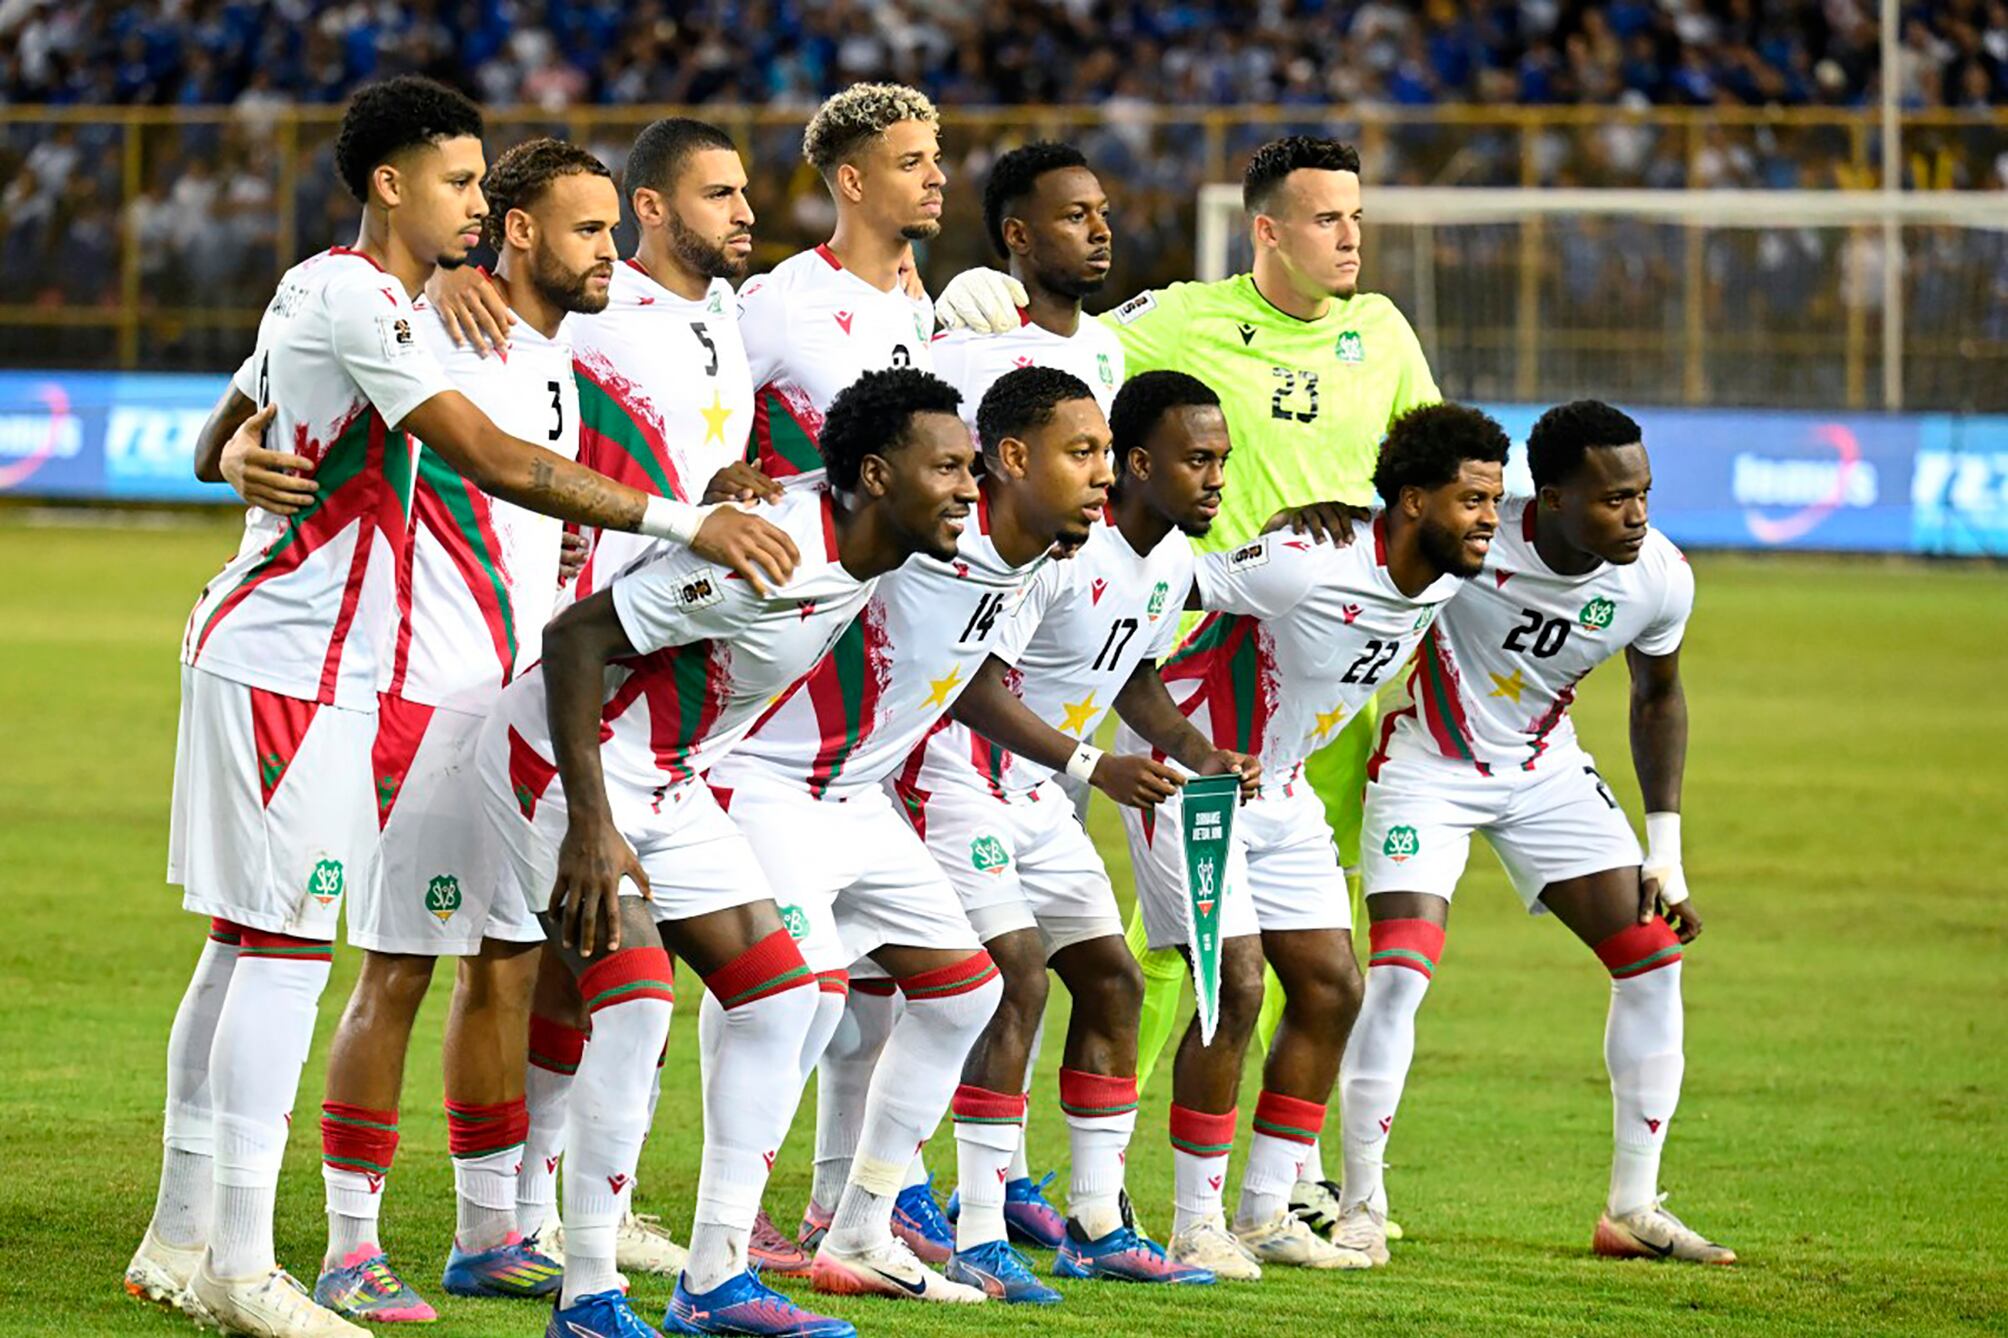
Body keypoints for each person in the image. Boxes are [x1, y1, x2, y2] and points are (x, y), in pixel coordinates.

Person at [126, 75, 795, 1338]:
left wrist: (223, 454)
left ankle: (187, 1234)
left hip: (403, 681)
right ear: (390, 185)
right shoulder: (362, 295)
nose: (478, 208)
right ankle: (250, 1262)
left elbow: (232, 419)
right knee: (289, 951)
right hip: (306, 666)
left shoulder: (424, 310)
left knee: (253, 946)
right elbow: (487, 460)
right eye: (459, 182)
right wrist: (680, 518)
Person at [939, 133, 1443, 1232]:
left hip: (1328, 686)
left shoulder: (1386, 332)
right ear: (1267, 229)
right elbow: (1058, 368)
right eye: (1325, 218)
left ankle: (1273, 1180)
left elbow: (1422, 478)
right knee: (1183, 947)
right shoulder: (1177, 323)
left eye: (1357, 216)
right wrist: (981, 297)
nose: (1349, 236)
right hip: (1199, 660)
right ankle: (1094, 1183)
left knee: (1308, 947)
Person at [478, 369, 985, 1338]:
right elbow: (576, 639)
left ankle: (713, 1279)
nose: (968, 488)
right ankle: (586, 1296)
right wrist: (592, 825)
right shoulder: (775, 555)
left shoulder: (853, 536)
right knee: (630, 1013)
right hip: (564, 765)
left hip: (670, 778)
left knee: (782, 997)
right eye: (949, 468)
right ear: (876, 477)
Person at [299, 136, 615, 1325]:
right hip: (422, 702)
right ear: (519, 234)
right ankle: (349, 1245)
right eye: (588, 231)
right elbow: (288, 375)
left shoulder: (550, 355)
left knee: (507, 961)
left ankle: (488, 1231)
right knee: (398, 969)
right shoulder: (426, 326)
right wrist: (232, 444)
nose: (610, 255)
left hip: (517, 710)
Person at [706, 365, 1106, 1304]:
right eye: (1081, 454)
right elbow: (829, 509)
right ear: (1014, 461)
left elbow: (963, 675)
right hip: (769, 782)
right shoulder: (919, 533)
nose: (1102, 474)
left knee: (968, 992)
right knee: (793, 1007)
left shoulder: (1031, 560)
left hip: (861, 796)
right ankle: (720, 1253)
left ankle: (858, 1226)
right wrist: (733, 485)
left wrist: (1083, 762)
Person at [1117, 403, 1506, 1279]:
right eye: (1473, 500)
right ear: (1413, 502)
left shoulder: (1444, 576)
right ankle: (1193, 1223)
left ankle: (1264, 1214)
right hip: (1192, 773)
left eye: (1496, 500)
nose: (1489, 519)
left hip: (1282, 789)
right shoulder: (1305, 562)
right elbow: (1162, 581)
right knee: (1237, 987)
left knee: (1333, 988)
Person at [1341, 400, 1732, 1266]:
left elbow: (1657, 695)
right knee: (1401, 973)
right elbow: (1373, 537)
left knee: (1652, 958)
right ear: (1548, 498)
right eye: (1612, 499)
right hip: (1425, 769)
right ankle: (1360, 1202)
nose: (1636, 515)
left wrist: (1662, 852)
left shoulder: (1658, 576)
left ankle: (1633, 1207)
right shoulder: (1473, 540)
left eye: (1644, 495)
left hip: (1542, 771)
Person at [912, 371, 1262, 1297]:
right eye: (1198, 461)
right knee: (1014, 980)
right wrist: (1094, 768)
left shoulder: (1174, 564)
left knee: (1109, 982)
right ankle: (978, 1228)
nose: (1216, 480)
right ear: (1139, 466)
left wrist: (1198, 750)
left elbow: (1134, 677)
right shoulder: (1061, 552)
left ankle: (1097, 1222)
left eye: (1222, 461)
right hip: (963, 780)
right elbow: (974, 687)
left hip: (1043, 796)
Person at [739, 83, 942, 480]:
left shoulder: (916, 301)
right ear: (852, 182)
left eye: (935, 159)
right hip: (799, 540)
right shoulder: (779, 301)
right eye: (911, 163)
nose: (937, 177)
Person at [929, 141, 1124, 429]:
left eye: (1103, 213)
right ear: (1018, 236)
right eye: (1076, 216)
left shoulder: (1105, 345)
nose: (1101, 232)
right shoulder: (961, 351)